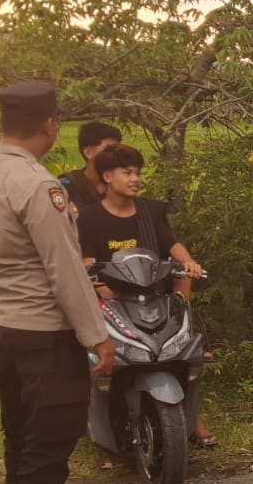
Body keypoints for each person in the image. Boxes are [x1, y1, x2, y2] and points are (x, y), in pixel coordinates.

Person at [0, 80, 114, 484]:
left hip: (1, 325)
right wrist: (97, 336)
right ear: (50, 126)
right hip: (43, 331)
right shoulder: (38, 185)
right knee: (52, 431)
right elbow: (64, 269)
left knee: (21, 427)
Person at [77, 143, 217, 447]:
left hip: (153, 294)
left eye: (138, 172)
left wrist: (189, 262)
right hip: (111, 298)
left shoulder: (150, 211)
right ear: (108, 176)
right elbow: (86, 261)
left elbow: (172, 246)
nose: (135, 178)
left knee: (181, 335)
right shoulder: (89, 219)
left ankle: (190, 412)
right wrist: (97, 282)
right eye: (127, 172)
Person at [57, 121, 122, 208]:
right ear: (88, 153)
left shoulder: (120, 187)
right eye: (109, 149)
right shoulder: (65, 188)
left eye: (118, 150)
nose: (116, 155)